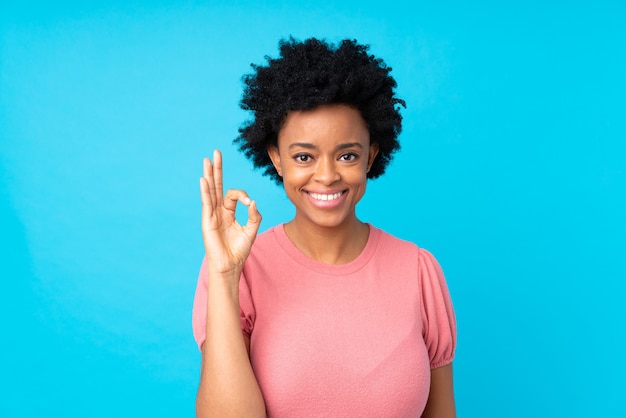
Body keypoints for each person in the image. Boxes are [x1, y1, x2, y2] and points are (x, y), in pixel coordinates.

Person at [192, 37, 457, 418]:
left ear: (371, 155)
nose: (327, 175)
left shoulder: (418, 271)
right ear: (276, 158)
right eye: (304, 156)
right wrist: (224, 276)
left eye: (347, 155)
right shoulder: (239, 270)